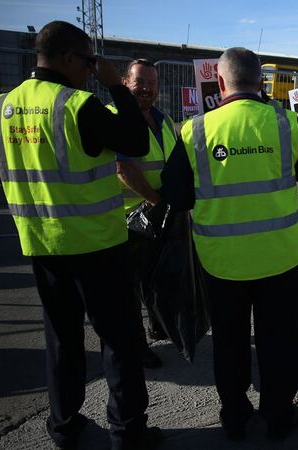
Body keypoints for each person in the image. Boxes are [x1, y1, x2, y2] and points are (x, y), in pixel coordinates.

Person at [0, 21, 161, 449]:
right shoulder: (76, 105)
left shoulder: (1, 107)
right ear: (68, 57)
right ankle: (127, 432)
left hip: (42, 245)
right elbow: (136, 141)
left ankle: (64, 425)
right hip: (96, 245)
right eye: (88, 60)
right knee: (119, 342)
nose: (91, 69)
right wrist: (116, 88)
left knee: (62, 341)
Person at [160, 47, 298, 441]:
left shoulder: (196, 130)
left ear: (220, 83)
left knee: (230, 344)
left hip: (222, 262)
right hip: (279, 259)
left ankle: (235, 416)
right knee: (279, 342)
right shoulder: (285, 122)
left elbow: (176, 196)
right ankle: (278, 416)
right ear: (262, 82)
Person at [112, 59, 177, 369]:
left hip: (157, 213)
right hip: (129, 218)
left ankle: (159, 326)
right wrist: (155, 201)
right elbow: (123, 169)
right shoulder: (117, 118)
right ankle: (137, 346)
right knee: (129, 290)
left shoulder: (163, 120)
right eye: (140, 81)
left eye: (152, 83)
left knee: (157, 278)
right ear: (125, 83)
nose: (146, 88)